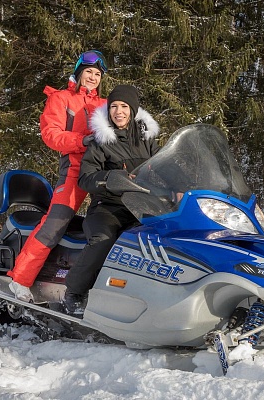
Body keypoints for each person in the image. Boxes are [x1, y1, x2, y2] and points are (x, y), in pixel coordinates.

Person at [7, 50, 109, 302]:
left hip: (104, 170)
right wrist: (81, 140)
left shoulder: (106, 104)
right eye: (89, 72)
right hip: (75, 168)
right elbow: (51, 134)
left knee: (118, 220)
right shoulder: (61, 98)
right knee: (55, 223)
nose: (93, 77)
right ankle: (20, 279)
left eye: (98, 74)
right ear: (79, 73)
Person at [63, 84, 161, 314]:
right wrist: (111, 177)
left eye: (124, 106)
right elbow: (85, 178)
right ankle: (74, 291)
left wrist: (179, 183)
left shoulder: (147, 140)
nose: (119, 111)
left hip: (143, 208)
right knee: (103, 239)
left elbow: (163, 167)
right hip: (108, 208)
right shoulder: (101, 141)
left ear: (133, 110)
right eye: (114, 106)